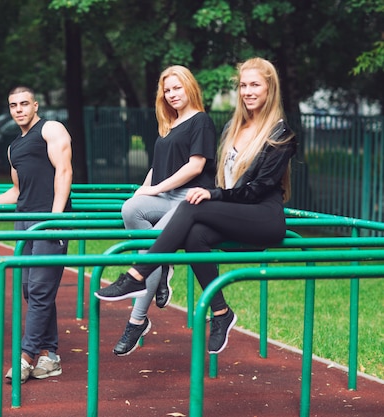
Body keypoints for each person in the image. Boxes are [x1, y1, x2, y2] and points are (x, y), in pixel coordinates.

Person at [95, 57, 297, 355]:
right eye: (243, 85)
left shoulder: (281, 135)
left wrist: (212, 196)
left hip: (263, 217)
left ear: (270, 89)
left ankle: (138, 275)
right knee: (193, 235)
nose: (248, 91)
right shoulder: (233, 126)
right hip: (237, 210)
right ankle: (221, 314)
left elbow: (256, 191)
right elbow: (224, 178)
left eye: (255, 85)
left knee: (191, 206)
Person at [112, 65, 217, 356]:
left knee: (152, 249)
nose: (171, 94)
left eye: (176, 88)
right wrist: (143, 190)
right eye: (167, 90)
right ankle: (163, 265)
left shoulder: (201, 121)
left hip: (190, 200)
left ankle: (137, 320)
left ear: (189, 87)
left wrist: (155, 190)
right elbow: (158, 168)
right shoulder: (169, 125)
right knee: (131, 208)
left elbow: (195, 166)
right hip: (167, 195)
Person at [0, 86, 73, 383]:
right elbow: (17, 191)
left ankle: (26, 356)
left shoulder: (51, 129)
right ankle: (50, 354)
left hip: (48, 220)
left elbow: (64, 171)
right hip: (24, 221)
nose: (18, 109)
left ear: (35, 105)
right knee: (31, 288)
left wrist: (55, 218)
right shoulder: (14, 146)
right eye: (13, 105)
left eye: (24, 104)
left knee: (41, 288)